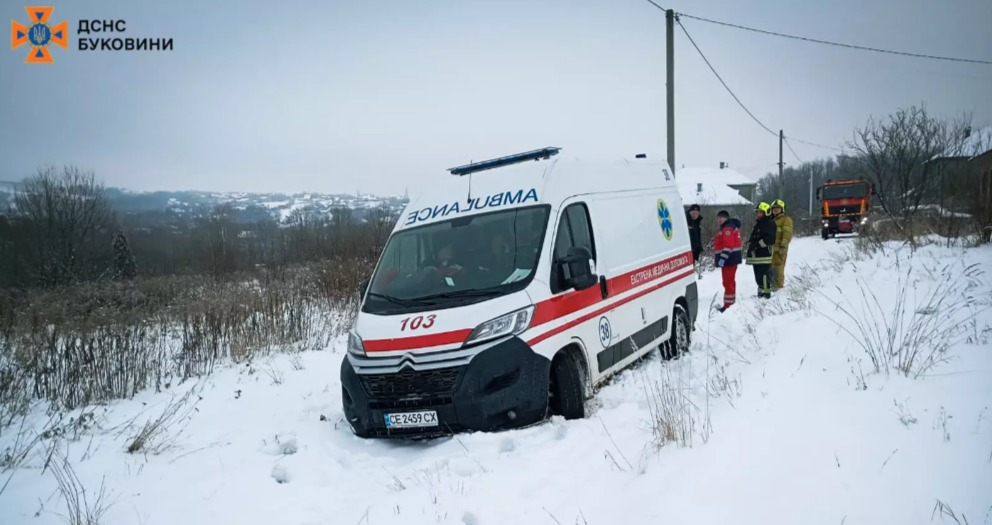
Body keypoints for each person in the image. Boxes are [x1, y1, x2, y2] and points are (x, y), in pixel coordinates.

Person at [745, 202, 777, 299]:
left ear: (766, 212)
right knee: (758, 275)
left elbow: (770, 238)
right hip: (757, 255)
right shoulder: (759, 223)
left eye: (760, 212)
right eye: (757, 212)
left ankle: (766, 293)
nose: (758, 214)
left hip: (764, 254)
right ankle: (761, 291)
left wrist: (757, 245)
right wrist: (749, 243)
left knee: (764, 275)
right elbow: (754, 236)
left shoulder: (770, 223)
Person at [713, 209, 742, 312]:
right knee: (730, 281)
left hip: (729, 259)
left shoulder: (727, 228)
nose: (719, 220)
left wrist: (722, 258)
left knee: (727, 282)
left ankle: (728, 305)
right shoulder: (728, 226)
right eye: (718, 218)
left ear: (726, 218)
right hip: (731, 259)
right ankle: (731, 303)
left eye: (721, 217)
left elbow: (728, 245)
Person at [770, 199, 793, 291]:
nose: (775, 209)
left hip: (780, 249)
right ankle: (773, 285)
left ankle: (778, 287)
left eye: (778, 208)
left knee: (778, 268)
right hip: (771, 249)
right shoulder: (771, 220)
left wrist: (783, 246)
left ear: (782, 209)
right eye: (774, 208)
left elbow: (787, 234)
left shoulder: (786, 220)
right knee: (771, 268)